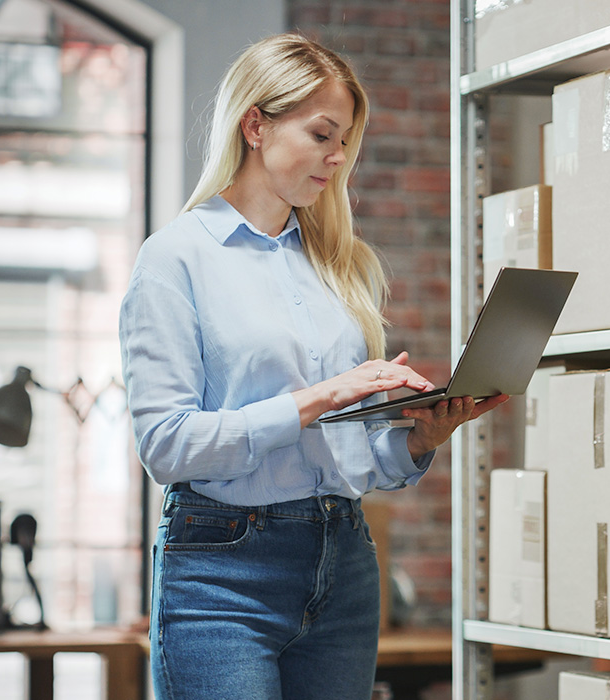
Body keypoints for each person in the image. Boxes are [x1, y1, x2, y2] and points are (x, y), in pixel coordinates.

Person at [119, 33, 507, 700]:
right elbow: (166, 446)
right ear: (255, 126)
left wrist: (418, 438)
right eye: (323, 134)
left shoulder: (336, 264)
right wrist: (321, 396)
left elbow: (353, 458)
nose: (338, 157)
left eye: (345, 141)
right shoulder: (175, 259)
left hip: (343, 562)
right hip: (223, 575)